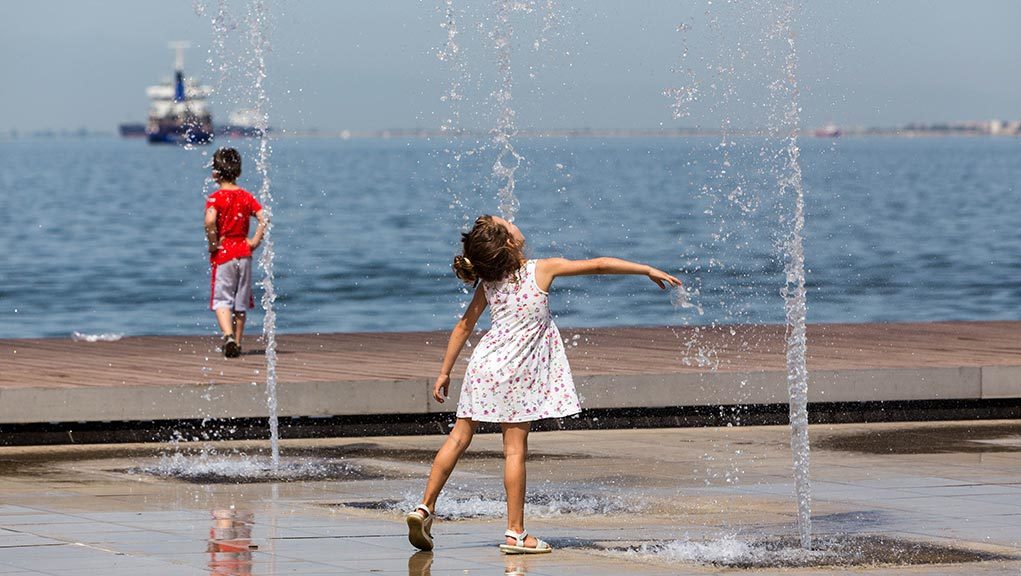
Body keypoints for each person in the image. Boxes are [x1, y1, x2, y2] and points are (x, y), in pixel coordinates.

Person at [406, 214, 681, 554]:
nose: (512, 220)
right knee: (514, 451)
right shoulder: (542, 269)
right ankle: (516, 534)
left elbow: (464, 326)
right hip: (517, 373)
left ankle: (424, 507)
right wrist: (645, 269)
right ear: (510, 243)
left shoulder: (489, 282)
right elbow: (596, 266)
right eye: (507, 223)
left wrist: (445, 371)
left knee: (459, 437)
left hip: (484, 367)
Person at [204, 147, 268, 358]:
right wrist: (255, 241)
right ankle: (238, 344)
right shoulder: (246, 197)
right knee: (240, 303)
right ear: (238, 172)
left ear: (215, 173)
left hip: (224, 255)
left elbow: (210, 221)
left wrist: (213, 243)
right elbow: (263, 218)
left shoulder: (215, 198)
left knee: (222, 300)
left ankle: (228, 336)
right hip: (244, 252)